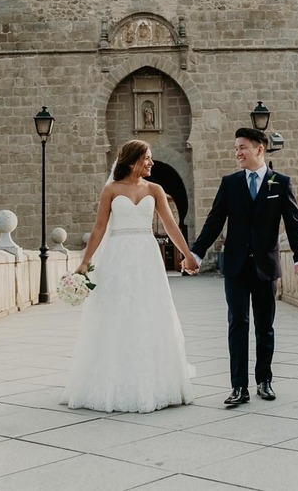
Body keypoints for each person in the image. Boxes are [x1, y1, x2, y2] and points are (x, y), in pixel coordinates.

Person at [64, 140, 200, 413]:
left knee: (150, 313)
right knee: (117, 313)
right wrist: (84, 262)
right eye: (147, 158)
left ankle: (154, 380)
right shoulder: (111, 190)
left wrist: (188, 255)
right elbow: (99, 229)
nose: (151, 162)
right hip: (117, 256)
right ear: (131, 160)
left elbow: (171, 226)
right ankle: (114, 381)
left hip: (147, 257)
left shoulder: (155, 190)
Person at [191, 127, 298, 405]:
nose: (237, 153)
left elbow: (294, 225)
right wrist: (196, 254)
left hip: (266, 267)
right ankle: (238, 387)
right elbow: (214, 222)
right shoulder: (229, 184)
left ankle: (264, 381)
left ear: (259, 148)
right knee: (238, 323)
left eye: (242, 147)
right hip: (235, 267)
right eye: (235, 149)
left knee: (265, 326)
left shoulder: (280, 183)